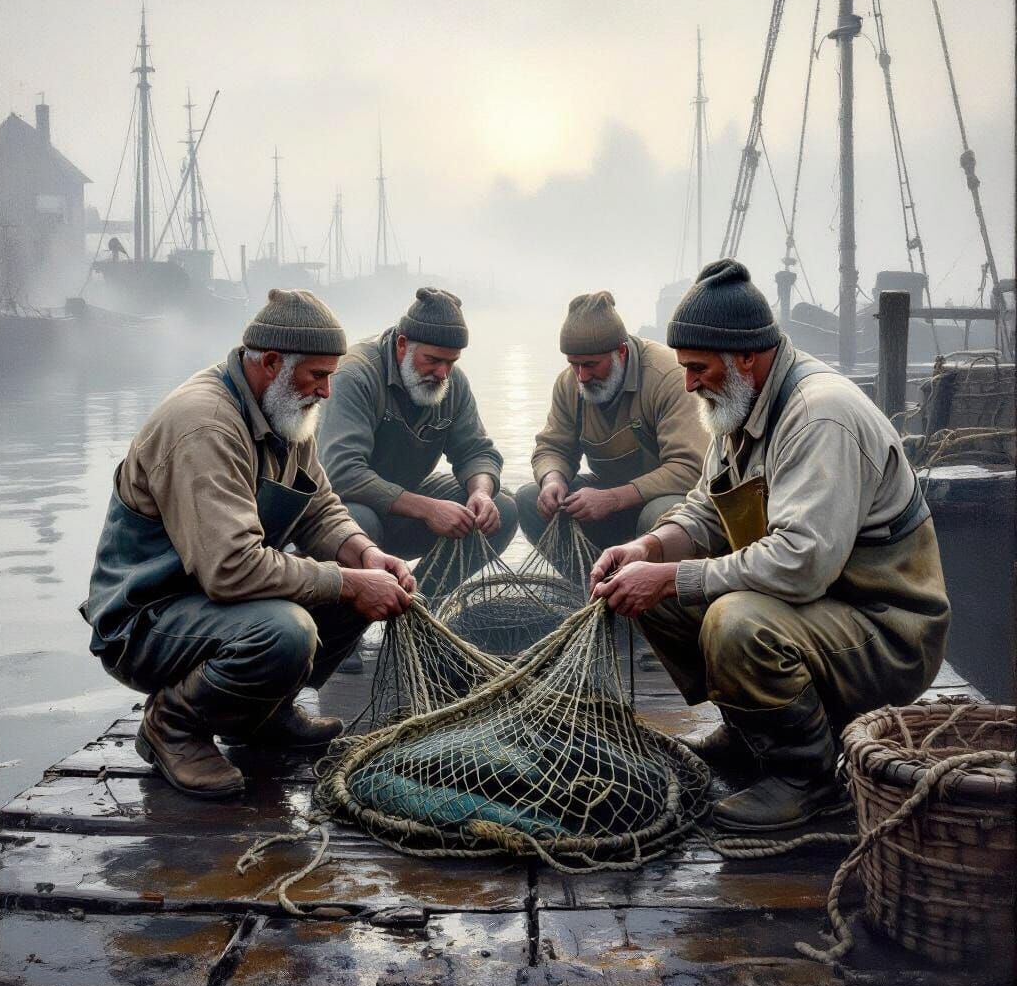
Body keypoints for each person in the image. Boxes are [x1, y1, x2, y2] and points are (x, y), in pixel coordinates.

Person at [591, 259, 950, 831]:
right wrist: (651, 550)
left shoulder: (819, 415)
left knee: (734, 621)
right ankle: (754, 732)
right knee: (653, 594)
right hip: (821, 606)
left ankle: (808, 776)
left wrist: (674, 576)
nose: (687, 383)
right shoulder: (737, 404)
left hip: (887, 630)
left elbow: (802, 564)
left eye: (697, 368)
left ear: (746, 358)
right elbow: (708, 507)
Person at [80, 289, 415, 800]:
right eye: (318, 376)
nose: (327, 391)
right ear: (274, 362)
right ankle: (172, 725)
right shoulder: (205, 425)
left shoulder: (286, 406)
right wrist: (346, 581)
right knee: (288, 631)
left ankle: (261, 716)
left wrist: (365, 555)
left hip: (211, 601)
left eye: (330, 375)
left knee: (358, 595)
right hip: (147, 619)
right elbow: (232, 569)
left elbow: (319, 505)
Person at [319, 288, 517, 582]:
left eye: (451, 362)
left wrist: (481, 492)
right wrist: (428, 509)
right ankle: (352, 617)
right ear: (402, 344)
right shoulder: (353, 376)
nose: (442, 373)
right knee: (360, 521)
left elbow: (477, 452)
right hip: (342, 511)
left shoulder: (452, 382)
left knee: (502, 507)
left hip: (403, 508)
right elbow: (341, 473)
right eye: (433, 360)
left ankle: (424, 605)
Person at [516, 290, 707, 570]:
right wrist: (552, 479)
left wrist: (614, 498)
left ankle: (654, 602)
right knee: (528, 498)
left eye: (591, 365)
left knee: (660, 514)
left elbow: (691, 468)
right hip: (609, 500)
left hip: (665, 501)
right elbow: (552, 447)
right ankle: (591, 591)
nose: (582, 376)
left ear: (621, 352)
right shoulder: (570, 384)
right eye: (574, 364)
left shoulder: (668, 377)